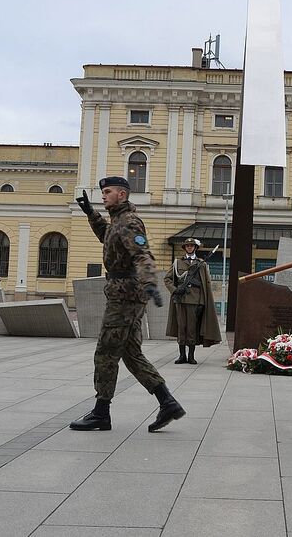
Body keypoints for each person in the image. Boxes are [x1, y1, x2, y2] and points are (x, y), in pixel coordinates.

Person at [70, 176, 185, 432]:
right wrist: (90, 213)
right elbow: (107, 237)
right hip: (125, 294)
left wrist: (151, 283)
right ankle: (167, 402)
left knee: (106, 352)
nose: (103, 195)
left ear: (122, 195)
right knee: (131, 353)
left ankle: (101, 412)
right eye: (102, 192)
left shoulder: (129, 222)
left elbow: (142, 254)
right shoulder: (117, 221)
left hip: (124, 296)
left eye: (108, 192)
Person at [164, 238, 221, 364]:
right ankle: (182, 356)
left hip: (194, 300)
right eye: (187, 246)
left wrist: (202, 302)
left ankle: (191, 356)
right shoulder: (177, 263)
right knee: (181, 327)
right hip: (180, 299)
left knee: (191, 329)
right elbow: (167, 279)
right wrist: (175, 290)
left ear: (195, 248)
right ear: (184, 248)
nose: (189, 247)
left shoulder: (201, 263)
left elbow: (205, 285)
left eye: (192, 246)